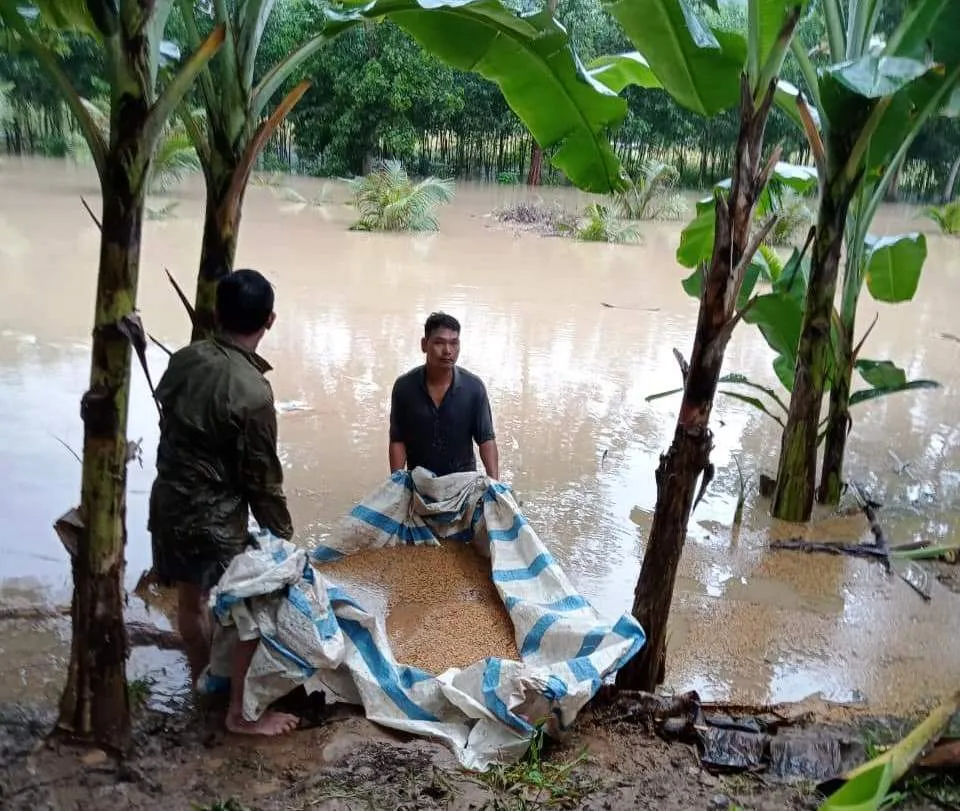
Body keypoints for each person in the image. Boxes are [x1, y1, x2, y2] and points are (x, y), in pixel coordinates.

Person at [148, 268, 299, 737]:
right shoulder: (254, 392)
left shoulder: (183, 360)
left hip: (169, 504)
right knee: (252, 606)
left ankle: (204, 684)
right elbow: (261, 477)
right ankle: (240, 713)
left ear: (216, 312)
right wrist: (283, 539)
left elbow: (168, 419)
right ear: (270, 321)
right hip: (216, 521)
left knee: (191, 603)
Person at [389, 312, 499, 479]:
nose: (448, 351)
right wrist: (396, 483)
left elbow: (486, 440)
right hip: (419, 483)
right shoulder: (404, 387)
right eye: (439, 342)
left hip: (463, 485)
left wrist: (495, 484)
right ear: (424, 345)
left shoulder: (474, 388)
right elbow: (398, 439)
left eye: (454, 343)